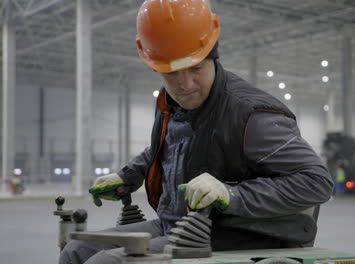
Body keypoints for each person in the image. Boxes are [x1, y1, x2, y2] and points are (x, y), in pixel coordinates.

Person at [59, 0, 333, 263]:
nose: (185, 84)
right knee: (77, 250)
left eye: (195, 68)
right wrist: (127, 175)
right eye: (171, 74)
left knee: (110, 261)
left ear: (211, 54)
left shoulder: (251, 115)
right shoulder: (172, 104)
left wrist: (231, 194)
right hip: (181, 224)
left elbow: (317, 181)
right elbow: (168, 144)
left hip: (243, 232)